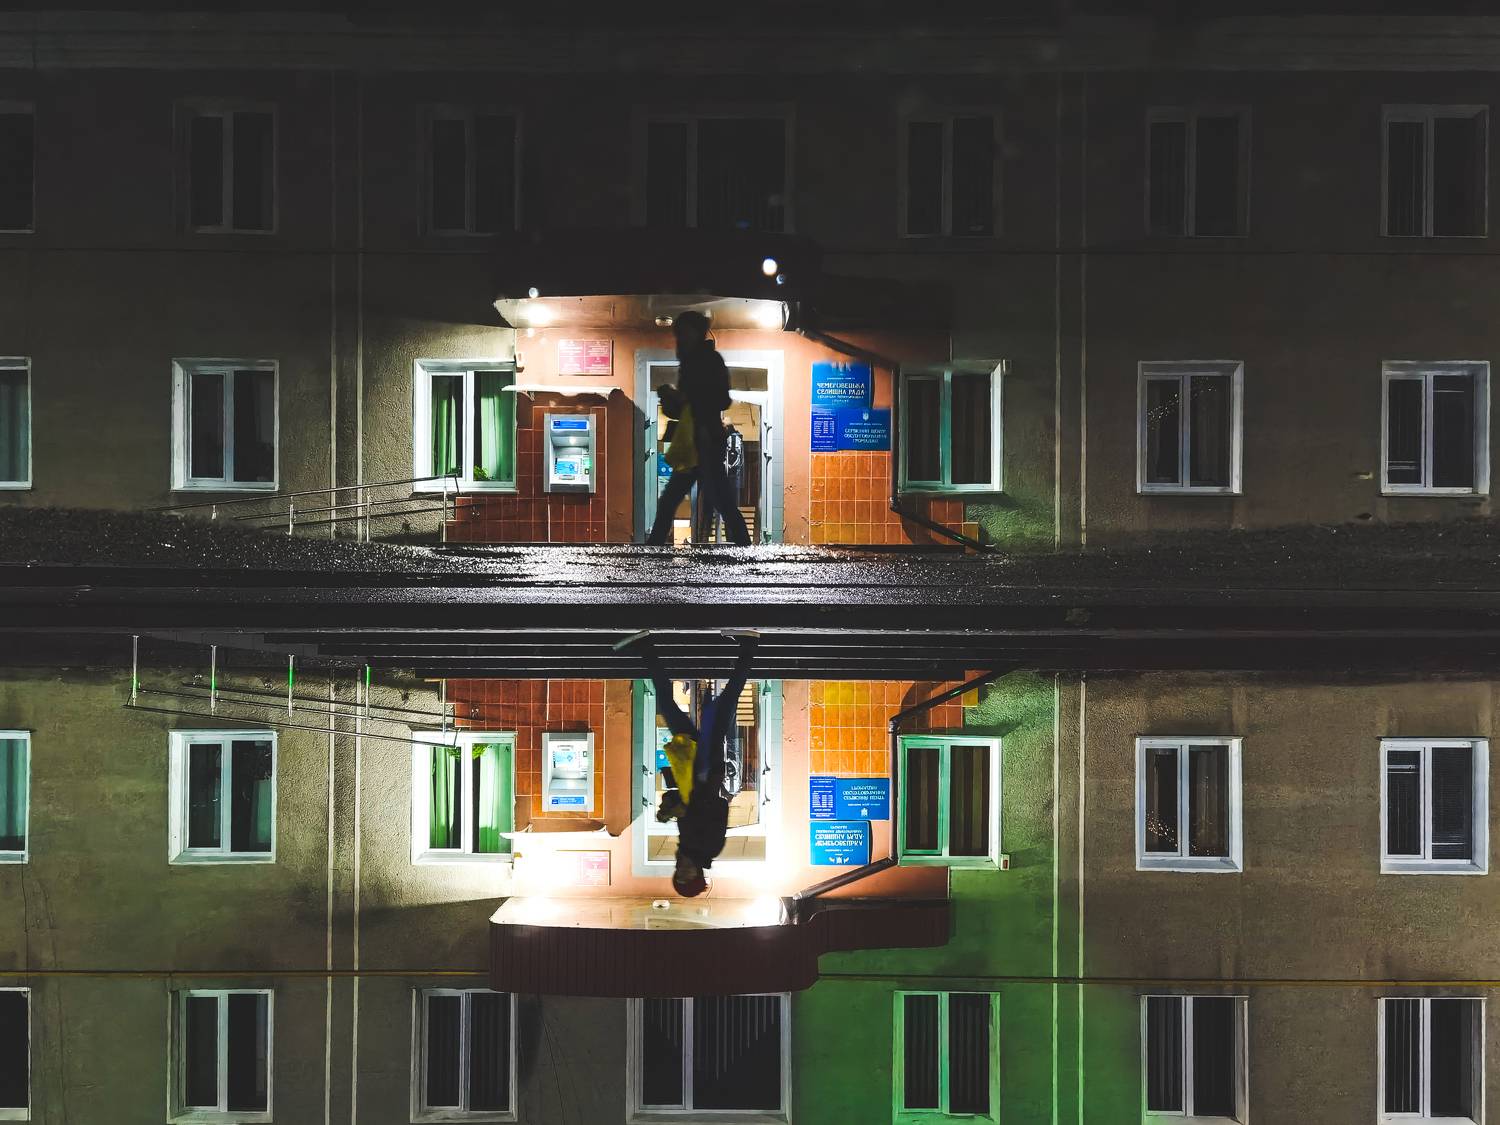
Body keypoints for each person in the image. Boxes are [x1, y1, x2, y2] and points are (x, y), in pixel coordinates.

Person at [625, 631, 758, 897]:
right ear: (698, 874)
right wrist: (686, 809)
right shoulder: (709, 848)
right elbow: (718, 806)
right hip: (705, 766)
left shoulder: (687, 845)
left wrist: (670, 807)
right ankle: (749, 647)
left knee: (669, 705)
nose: (682, 871)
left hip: (691, 767)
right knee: (725, 703)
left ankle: (647, 648)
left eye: (678, 876)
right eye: (688, 876)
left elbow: (684, 801)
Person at [647, 310, 751, 547]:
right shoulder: (689, 362)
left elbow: (722, 400)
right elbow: (686, 408)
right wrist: (673, 398)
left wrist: (690, 401)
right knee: (676, 499)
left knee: (717, 500)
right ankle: (654, 546)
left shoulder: (709, 361)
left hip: (706, 441)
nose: (680, 338)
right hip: (694, 442)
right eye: (678, 334)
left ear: (696, 332)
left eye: (684, 333)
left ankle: (744, 546)